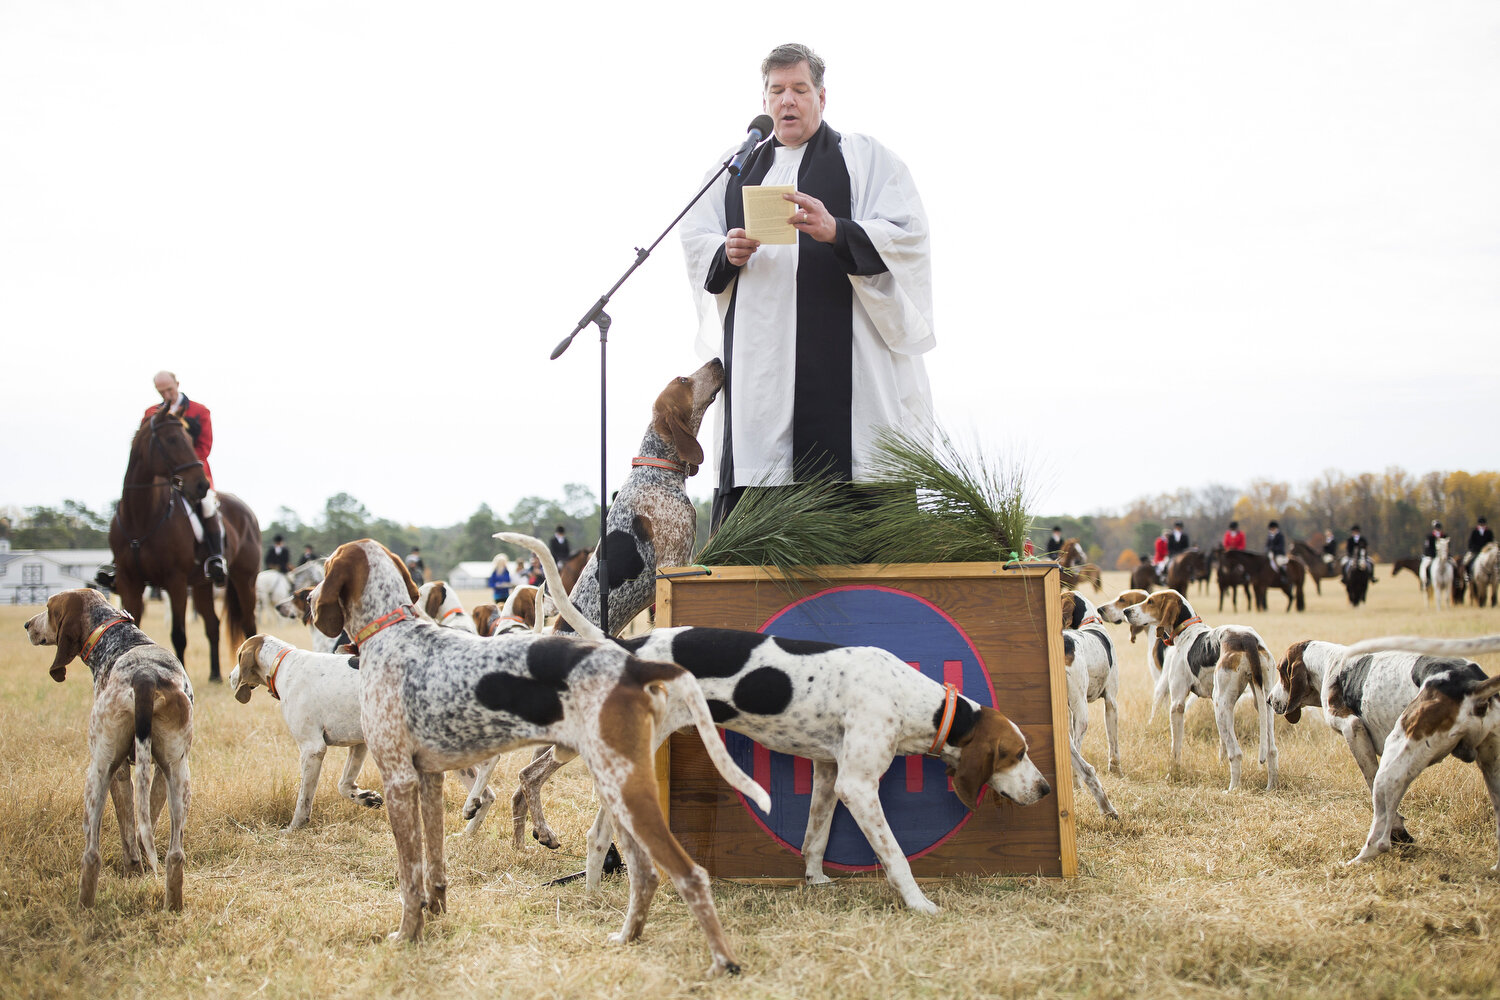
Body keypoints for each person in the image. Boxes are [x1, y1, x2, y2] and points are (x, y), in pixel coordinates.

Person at [682, 42, 934, 529]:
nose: (787, 101)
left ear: (822, 96)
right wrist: (725, 251)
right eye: (777, 90)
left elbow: (910, 235)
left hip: (852, 375)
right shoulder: (735, 167)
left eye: (799, 89)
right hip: (761, 379)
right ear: (764, 100)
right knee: (761, 478)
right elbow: (696, 237)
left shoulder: (865, 158)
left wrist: (837, 230)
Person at [144, 370, 226, 584]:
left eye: (169, 389)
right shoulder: (150, 414)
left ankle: (215, 558)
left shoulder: (199, 411)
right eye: (161, 392)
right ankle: (122, 561)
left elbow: (204, 447)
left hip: (192, 475)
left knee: (207, 506)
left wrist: (180, 467)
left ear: (177, 384)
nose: (167, 395)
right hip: (161, 478)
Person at [1419, 520, 1446, 587]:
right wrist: (1433, 555)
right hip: (1432, 556)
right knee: (1426, 566)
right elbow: (1427, 548)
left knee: (1453, 564)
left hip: (1443, 556)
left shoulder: (1444, 536)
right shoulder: (1429, 537)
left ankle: (1456, 581)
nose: (1438, 529)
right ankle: (1428, 580)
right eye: (1436, 527)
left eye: (1439, 527)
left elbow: (1447, 546)